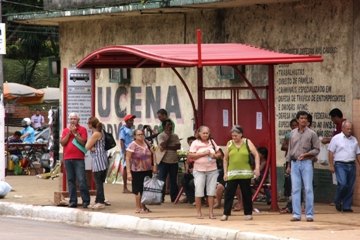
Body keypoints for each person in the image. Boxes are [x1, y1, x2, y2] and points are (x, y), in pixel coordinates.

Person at [220, 125, 260, 221]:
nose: (234, 138)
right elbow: (225, 159)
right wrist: (225, 173)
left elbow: (256, 155)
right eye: (232, 135)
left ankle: (248, 213)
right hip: (232, 173)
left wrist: (257, 168)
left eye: (236, 135)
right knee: (229, 193)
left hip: (245, 173)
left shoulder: (247, 142)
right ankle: (226, 213)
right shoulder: (229, 143)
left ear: (241, 134)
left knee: (246, 193)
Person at [286, 111, 320, 222]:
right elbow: (289, 150)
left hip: (306, 163)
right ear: (297, 120)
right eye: (301, 118)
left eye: (305, 118)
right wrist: (288, 164)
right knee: (295, 189)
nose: (303, 120)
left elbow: (316, 149)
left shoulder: (312, 134)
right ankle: (296, 214)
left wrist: (306, 154)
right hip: (294, 163)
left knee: (308, 188)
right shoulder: (292, 133)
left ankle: (309, 214)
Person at [187, 126, 223, 219]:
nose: (205, 135)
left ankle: (211, 213)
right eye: (203, 133)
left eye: (207, 133)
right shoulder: (195, 143)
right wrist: (203, 153)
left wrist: (214, 155)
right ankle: (199, 213)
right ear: (199, 133)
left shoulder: (212, 141)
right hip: (199, 170)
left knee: (211, 192)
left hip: (212, 170)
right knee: (199, 191)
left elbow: (219, 154)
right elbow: (190, 155)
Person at [328, 121, 360, 212]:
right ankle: (337, 200)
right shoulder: (336, 138)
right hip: (340, 164)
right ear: (343, 129)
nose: (350, 131)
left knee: (350, 186)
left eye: (351, 129)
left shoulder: (354, 140)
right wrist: (331, 165)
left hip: (351, 165)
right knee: (343, 184)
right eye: (348, 129)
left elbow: (358, 153)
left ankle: (346, 206)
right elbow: (330, 152)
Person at [60, 112, 90, 208]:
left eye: (75, 119)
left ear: (78, 120)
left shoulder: (82, 129)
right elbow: (62, 143)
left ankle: (85, 200)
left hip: (79, 158)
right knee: (70, 180)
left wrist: (75, 133)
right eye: (71, 119)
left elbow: (83, 142)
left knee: (81, 180)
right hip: (68, 158)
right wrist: (69, 133)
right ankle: (73, 201)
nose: (73, 120)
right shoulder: (65, 130)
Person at [126, 129, 157, 213]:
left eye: (142, 134)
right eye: (139, 134)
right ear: (135, 136)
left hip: (147, 169)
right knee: (138, 189)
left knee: (145, 188)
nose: (141, 136)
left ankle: (143, 206)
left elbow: (153, 154)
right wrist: (128, 172)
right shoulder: (132, 145)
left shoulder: (147, 143)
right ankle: (138, 206)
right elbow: (128, 158)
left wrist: (154, 165)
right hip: (136, 170)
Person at [85, 117, 109, 210]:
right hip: (102, 158)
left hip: (98, 160)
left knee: (98, 181)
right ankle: (98, 199)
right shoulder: (101, 132)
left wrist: (91, 147)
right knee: (99, 181)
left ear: (91, 124)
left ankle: (100, 201)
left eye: (88, 123)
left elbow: (87, 146)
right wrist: (92, 148)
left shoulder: (96, 134)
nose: (88, 125)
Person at [157, 119, 181, 202]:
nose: (170, 127)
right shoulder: (161, 135)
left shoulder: (175, 136)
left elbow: (178, 146)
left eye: (171, 125)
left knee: (173, 180)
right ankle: (160, 198)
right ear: (164, 127)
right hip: (163, 161)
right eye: (168, 125)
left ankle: (174, 198)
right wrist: (169, 137)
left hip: (174, 161)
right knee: (161, 180)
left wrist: (168, 147)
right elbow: (162, 145)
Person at [280, 118, 298, 214]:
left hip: (298, 160)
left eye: (296, 125)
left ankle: (297, 205)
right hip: (289, 161)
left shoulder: (302, 135)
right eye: (293, 125)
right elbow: (283, 146)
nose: (295, 127)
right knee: (288, 182)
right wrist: (292, 147)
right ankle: (290, 203)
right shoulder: (289, 135)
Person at [119, 114, 136, 193]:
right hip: (126, 151)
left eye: (132, 120)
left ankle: (133, 186)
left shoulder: (131, 129)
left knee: (132, 168)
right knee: (126, 168)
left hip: (132, 151)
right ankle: (125, 187)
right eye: (130, 120)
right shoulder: (123, 130)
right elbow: (122, 141)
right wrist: (124, 152)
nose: (132, 122)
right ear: (126, 121)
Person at [179, 136, 196, 204]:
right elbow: (187, 163)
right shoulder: (189, 152)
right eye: (190, 143)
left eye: (193, 142)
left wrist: (194, 169)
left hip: (199, 172)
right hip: (191, 173)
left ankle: (194, 198)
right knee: (183, 179)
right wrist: (186, 170)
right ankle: (192, 199)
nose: (191, 144)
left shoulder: (199, 151)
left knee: (191, 182)